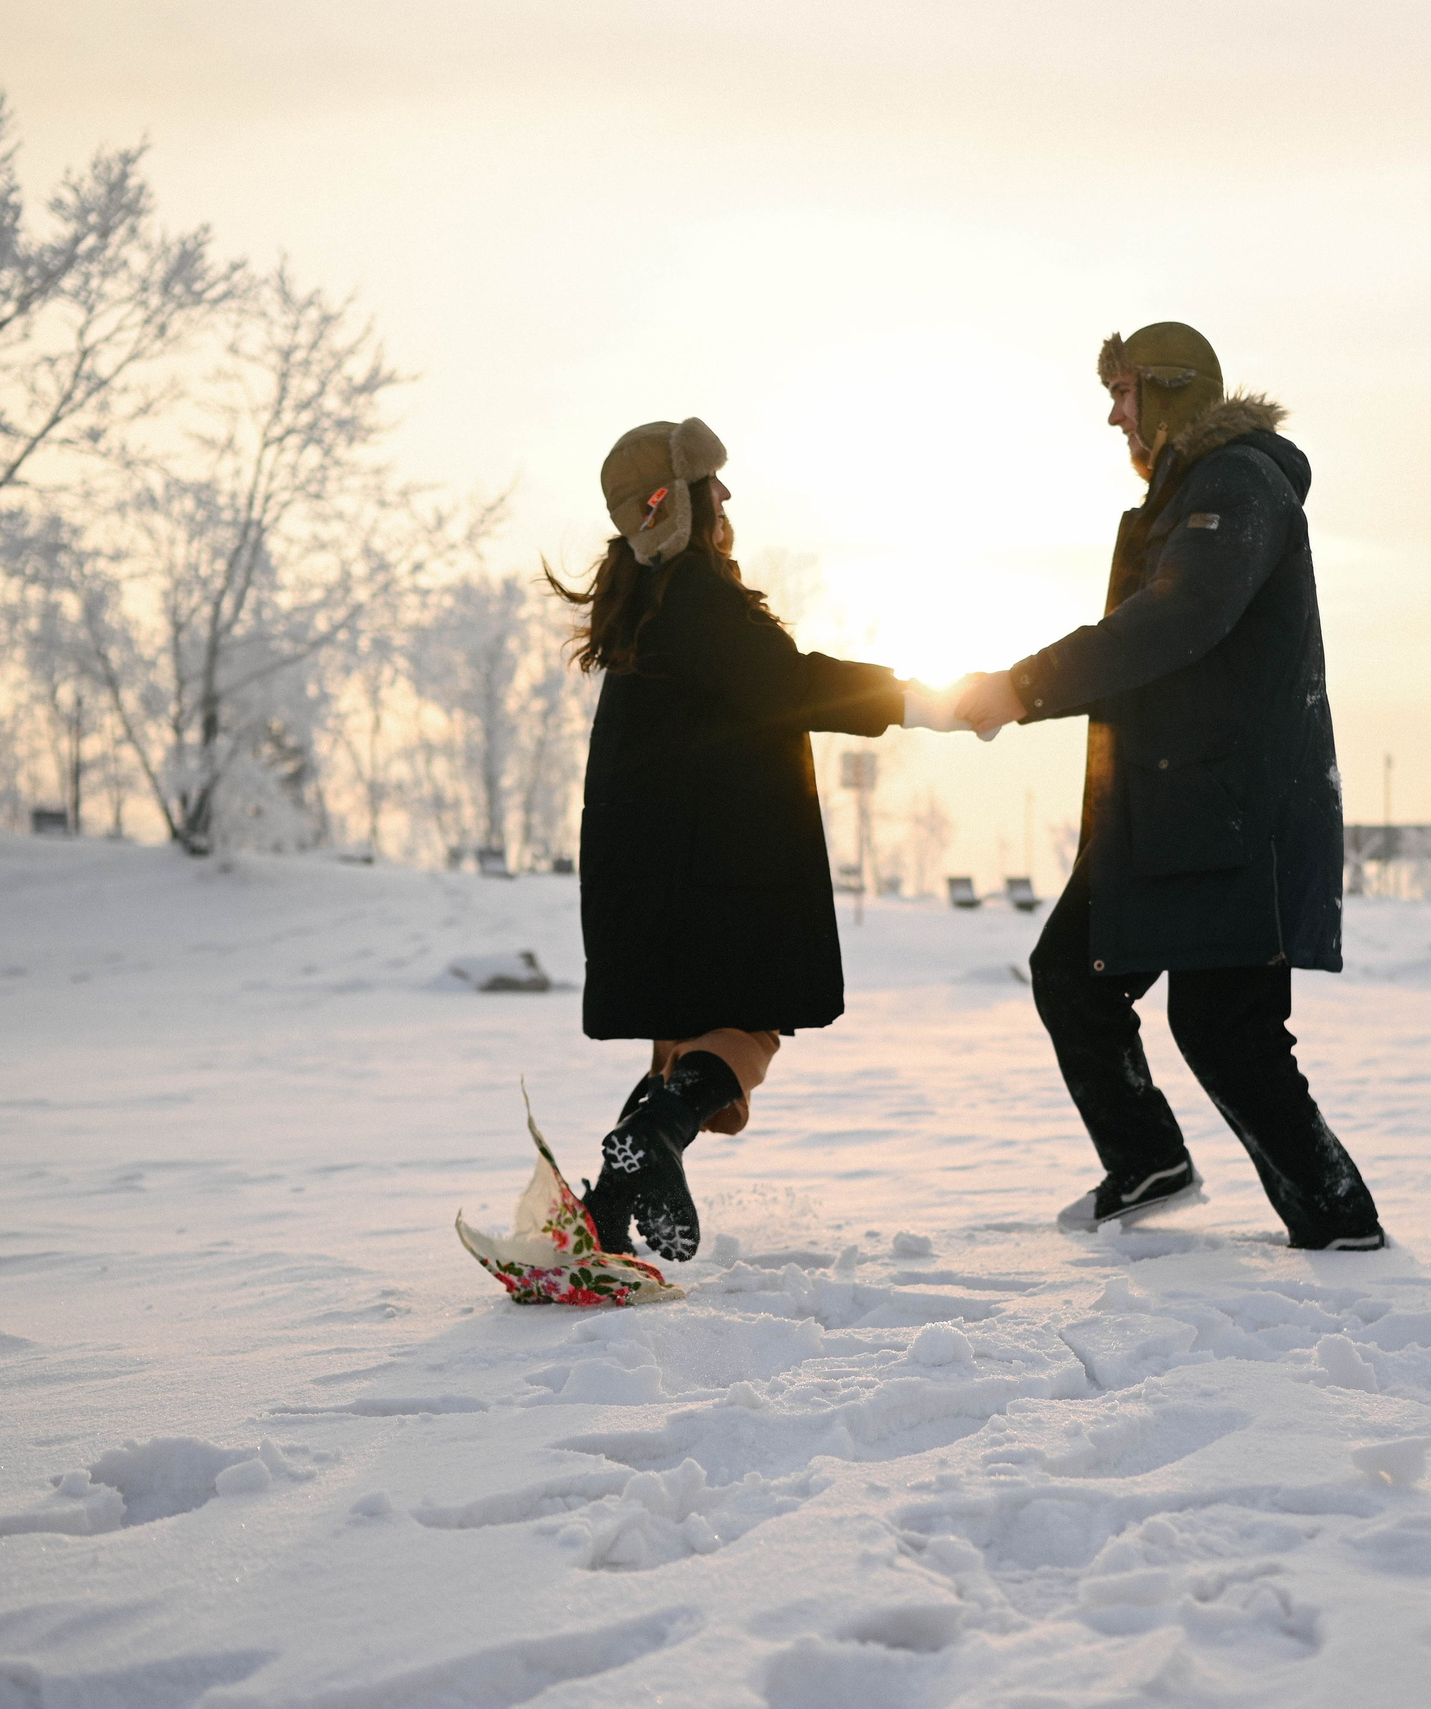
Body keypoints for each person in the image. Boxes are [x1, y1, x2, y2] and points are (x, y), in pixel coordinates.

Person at [954, 325, 1386, 1252]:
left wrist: (1024, 686)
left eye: (1125, 391)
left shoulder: (1239, 482)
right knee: (1075, 974)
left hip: (1232, 811)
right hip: (1169, 806)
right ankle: (1148, 1160)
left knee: (1226, 1025)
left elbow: (1175, 618)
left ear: (1173, 390)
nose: (1114, 415)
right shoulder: (1187, 496)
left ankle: (1339, 1221)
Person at [546, 418, 961, 1261]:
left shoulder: (646, 600)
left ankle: (604, 1212)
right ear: (676, 503)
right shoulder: (695, 597)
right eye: (710, 484)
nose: (727, 495)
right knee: (746, 1031)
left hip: (657, 869)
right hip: (712, 870)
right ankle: (653, 1137)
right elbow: (792, 683)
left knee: (688, 1045)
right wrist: (920, 699)